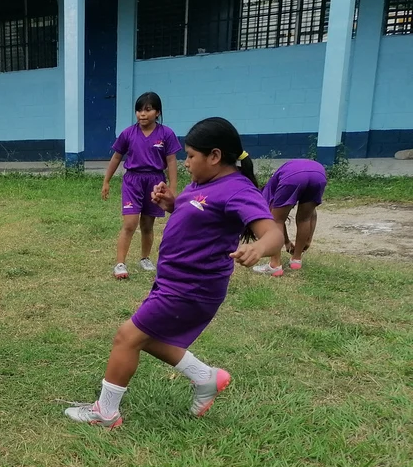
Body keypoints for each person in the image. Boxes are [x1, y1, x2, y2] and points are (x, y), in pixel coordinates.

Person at [65, 117, 283, 427]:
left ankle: (105, 412)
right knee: (148, 337)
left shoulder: (237, 189)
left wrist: (259, 248)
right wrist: (172, 203)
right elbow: (199, 213)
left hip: (192, 287)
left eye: (191, 156)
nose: (185, 163)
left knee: (126, 337)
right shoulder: (205, 183)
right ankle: (206, 378)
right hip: (174, 281)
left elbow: (273, 233)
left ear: (215, 156)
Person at [102, 92, 180, 279]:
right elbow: (116, 157)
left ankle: (145, 258)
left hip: (154, 182)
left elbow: (171, 162)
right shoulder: (128, 133)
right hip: (132, 181)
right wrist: (106, 181)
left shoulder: (166, 134)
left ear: (158, 112)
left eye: (147, 110)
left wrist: (172, 188)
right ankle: (120, 264)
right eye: (138, 110)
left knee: (147, 224)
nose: (142, 114)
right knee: (130, 223)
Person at [253, 159, 327, 276]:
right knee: (304, 218)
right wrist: (308, 239)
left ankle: (275, 265)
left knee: (276, 219)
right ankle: (296, 260)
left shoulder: (265, 194)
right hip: (319, 174)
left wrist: (286, 242)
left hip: (293, 177)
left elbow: (276, 220)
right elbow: (312, 214)